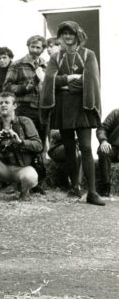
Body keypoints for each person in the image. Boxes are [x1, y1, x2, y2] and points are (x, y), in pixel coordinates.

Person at [41, 21, 104, 206]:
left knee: (85, 147)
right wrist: (68, 78)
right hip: (63, 107)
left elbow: (90, 80)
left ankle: (92, 192)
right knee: (69, 148)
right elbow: (49, 81)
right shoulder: (56, 57)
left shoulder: (88, 55)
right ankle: (74, 188)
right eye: (64, 33)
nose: (68, 37)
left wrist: (67, 86)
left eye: (71, 33)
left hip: (83, 106)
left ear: (78, 35)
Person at [0, 93, 43, 201]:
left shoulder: (25, 122)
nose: (3, 105)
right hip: (3, 169)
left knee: (31, 177)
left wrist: (20, 142)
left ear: (14, 106)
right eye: (1, 103)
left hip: (22, 168)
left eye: (7, 102)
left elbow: (39, 146)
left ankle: (24, 193)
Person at [4, 35, 47, 141]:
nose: (35, 50)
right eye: (32, 47)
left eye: (38, 48)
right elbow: (7, 87)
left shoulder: (46, 66)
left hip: (43, 109)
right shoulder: (17, 65)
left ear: (43, 49)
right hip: (25, 108)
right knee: (27, 139)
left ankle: (40, 158)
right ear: (28, 46)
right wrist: (25, 88)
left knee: (41, 141)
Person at [96, 108, 119, 197]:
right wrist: (103, 141)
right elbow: (102, 128)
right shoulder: (116, 113)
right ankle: (106, 186)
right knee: (103, 151)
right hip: (113, 148)